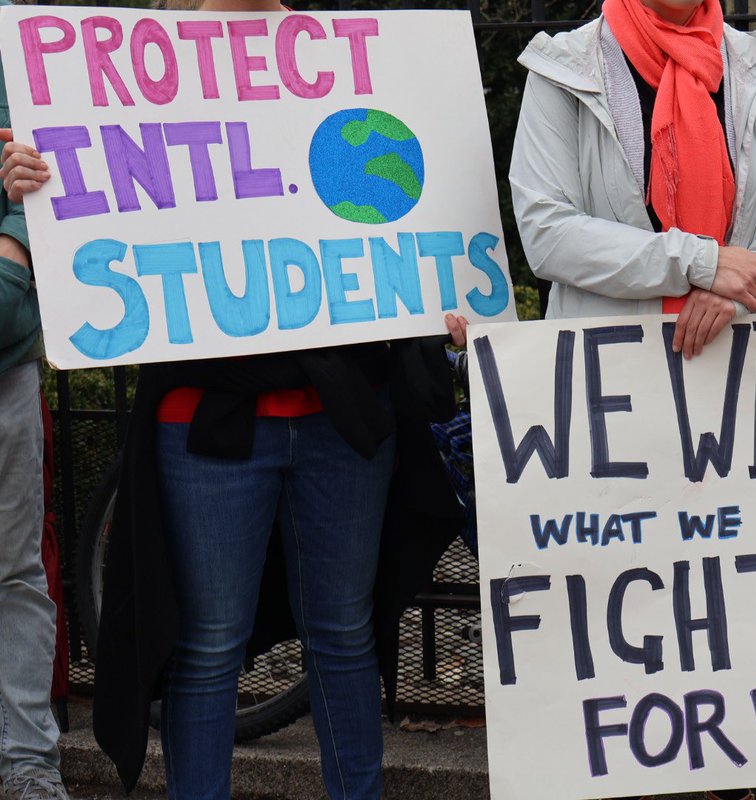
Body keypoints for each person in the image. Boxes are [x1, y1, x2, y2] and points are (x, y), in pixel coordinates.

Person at [1, 1, 466, 797]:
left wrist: (442, 294)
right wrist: (29, 193)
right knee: (210, 645)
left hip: (342, 423)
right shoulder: (123, 72)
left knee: (345, 636)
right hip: (206, 429)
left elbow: (410, 207)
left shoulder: (349, 60)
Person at [509, 0, 756, 797]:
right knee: (622, 624)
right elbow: (546, 231)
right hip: (610, 391)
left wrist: (749, 276)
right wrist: (695, 262)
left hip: (737, 377)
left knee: (729, 627)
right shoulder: (565, 69)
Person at [0, 1, 70, 795]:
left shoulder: (11, 40)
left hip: (5, 360)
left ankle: (26, 764)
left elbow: (40, 146)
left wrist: (13, 253)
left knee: (14, 571)